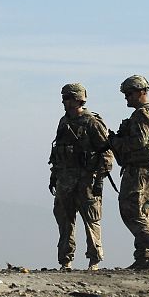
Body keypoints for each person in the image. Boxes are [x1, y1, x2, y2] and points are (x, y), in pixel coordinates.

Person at [49, 83, 114, 271]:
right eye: (64, 98)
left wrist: (98, 177)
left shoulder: (92, 122)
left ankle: (94, 261)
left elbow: (106, 152)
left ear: (79, 99)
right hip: (65, 181)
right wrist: (54, 176)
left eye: (68, 98)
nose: (64, 101)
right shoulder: (64, 122)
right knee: (64, 222)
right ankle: (65, 261)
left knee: (91, 220)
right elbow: (58, 152)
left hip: (86, 181)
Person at [110, 75, 149, 269]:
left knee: (130, 211)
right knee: (144, 212)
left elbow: (138, 143)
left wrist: (114, 141)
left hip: (140, 172)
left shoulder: (142, 115)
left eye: (129, 94)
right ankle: (143, 257)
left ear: (141, 92)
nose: (126, 98)